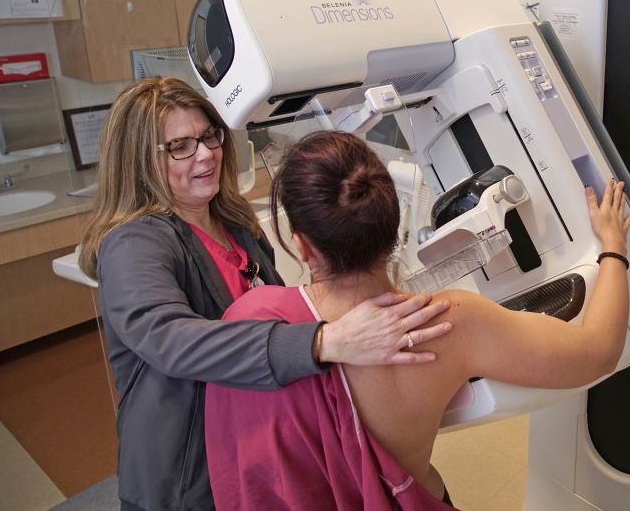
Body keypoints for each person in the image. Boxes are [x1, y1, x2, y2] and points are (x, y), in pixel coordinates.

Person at [204, 131, 630, 510]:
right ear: (393, 223)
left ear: (301, 246)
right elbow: (600, 352)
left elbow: (243, 473)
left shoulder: (250, 323)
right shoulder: (451, 323)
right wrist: (613, 246)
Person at [77, 78, 453, 511]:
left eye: (209, 136)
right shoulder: (133, 243)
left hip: (250, 448)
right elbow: (170, 340)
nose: (205, 154)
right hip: (187, 479)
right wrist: (324, 341)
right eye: (179, 146)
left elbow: (273, 311)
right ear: (139, 160)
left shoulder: (236, 225)